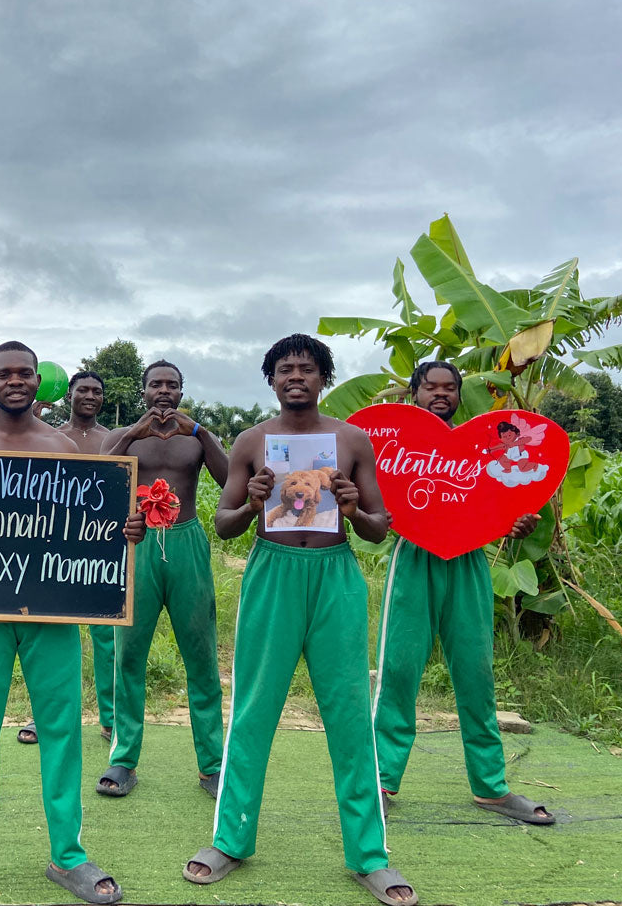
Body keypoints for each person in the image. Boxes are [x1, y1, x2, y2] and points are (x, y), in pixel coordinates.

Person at [183, 334, 417, 906]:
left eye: (306, 369)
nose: (295, 377)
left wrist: (354, 508)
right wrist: (251, 501)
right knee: (254, 708)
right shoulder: (251, 441)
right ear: (271, 379)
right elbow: (224, 524)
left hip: (336, 576)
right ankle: (230, 840)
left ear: (323, 378)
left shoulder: (351, 440)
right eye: (285, 369)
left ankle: (369, 855)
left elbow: (379, 528)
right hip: (272, 574)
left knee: (349, 714)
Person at [0, 342, 146, 906]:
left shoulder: (63, 448)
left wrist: (124, 530)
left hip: (53, 612)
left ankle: (68, 855)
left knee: (62, 732)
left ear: (38, 382)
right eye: (5, 374)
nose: (15, 381)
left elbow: (90, 525)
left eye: (25, 373)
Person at [372, 361, 551, 824]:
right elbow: (369, 503)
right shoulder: (395, 446)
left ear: (457, 395)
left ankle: (491, 787)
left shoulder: (483, 449)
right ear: (414, 393)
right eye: (430, 386)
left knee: (476, 673)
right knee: (398, 670)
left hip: (469, 560)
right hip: (413, 560)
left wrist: (517, 524)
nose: (440, 393)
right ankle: (379, 781)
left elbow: (503, 507)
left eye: (449, 387)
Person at [95, 360, 229, 798]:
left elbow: (231, 482)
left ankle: (212, 764)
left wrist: (201, 433)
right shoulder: (122, 436)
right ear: (144, 391)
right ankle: (123, 760)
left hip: (187, 540)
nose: (164, 391)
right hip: (138, 544)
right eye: (156, 384)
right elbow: (96, 481)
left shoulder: (196, 437)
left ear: (182, 393)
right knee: (128, 655)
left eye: (172, 385)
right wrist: (133, 434)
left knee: (201, 654)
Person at [18, 370, 115, 745]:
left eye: (97, 391)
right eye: (82, 390)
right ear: (68, 395)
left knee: (107, 638)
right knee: (51, 638)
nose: (90, 396)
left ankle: (111, 718)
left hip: (102, 547)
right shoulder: (51, 437)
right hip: (54, 547)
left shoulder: (113, 440)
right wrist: (31, 425)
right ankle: (44, 717)